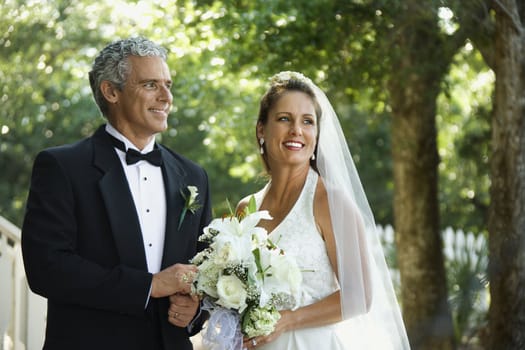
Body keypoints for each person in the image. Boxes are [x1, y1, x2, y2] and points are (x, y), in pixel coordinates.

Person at [21, 36, 211, 350]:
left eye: (168, 85)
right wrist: (150, 286)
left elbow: (205, 268)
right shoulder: (61, 166)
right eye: (151, 84)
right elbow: (47, 268)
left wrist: (196, 311)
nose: (166, 97)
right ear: (111, 91)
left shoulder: (193, 176)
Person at [237, 71, 410, 349]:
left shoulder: (330, 202)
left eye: (308, 121)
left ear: (317, 134)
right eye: (284, 119)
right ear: (261, 129)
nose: (297, 130)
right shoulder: (247, 208)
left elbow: (359, 296)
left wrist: (288, 320)